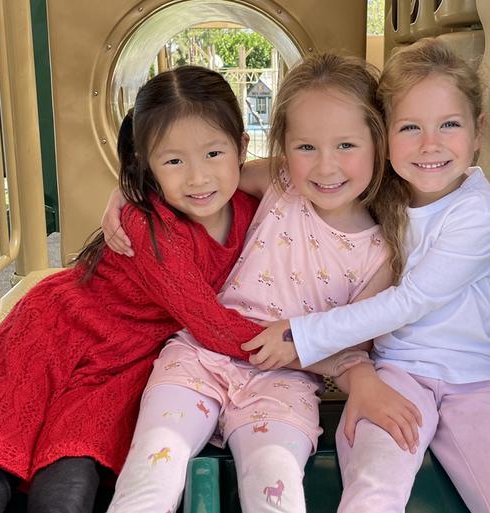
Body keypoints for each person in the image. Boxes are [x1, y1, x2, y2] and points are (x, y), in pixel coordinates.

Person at [242, 38, 490, 513]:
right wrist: (136, 189)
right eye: (410, 127)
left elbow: (408, 302)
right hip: (397, 373)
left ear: (478, 132)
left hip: (476, 380)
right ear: (383, 137)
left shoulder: (477, 214)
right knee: (374, 485)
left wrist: (301, 334)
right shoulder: (379, 186)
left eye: (449, 125)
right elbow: (274, 169)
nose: (430, 145)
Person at [0, 66, 270, 513]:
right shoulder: (148, 222)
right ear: (147, 163)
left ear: (242, 148)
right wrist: (310, 346)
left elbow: (312, 169)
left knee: (71, 476)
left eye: (213, 153)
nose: (197, 177)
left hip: (129, 358)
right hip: (58, 328)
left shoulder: (255, 207)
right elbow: (210, 324)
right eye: (173, 161)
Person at [101, 54, 420, 513]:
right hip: (199, 358)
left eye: (347, 145)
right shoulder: (281, 180)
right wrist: (123, 194)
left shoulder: (380, 256)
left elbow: (350, 339)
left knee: (275, 484)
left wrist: (361, 380)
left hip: (286, 380)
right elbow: (195, 180)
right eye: (306, 147)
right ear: (284, 148)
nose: (326, 167)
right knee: (152, 470)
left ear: (379, 143)